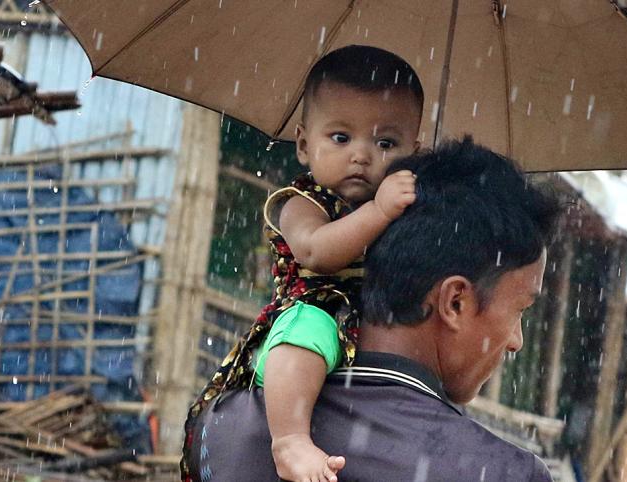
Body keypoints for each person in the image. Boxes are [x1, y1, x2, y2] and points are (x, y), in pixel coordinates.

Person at [187, 137, 559, 482]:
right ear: (455, 302)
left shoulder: (221, 423)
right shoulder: (500, 473)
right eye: (520, 311)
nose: (516, 341)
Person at [181, 45, 424, 482]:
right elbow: (317, 251)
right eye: (341, 137)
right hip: (311, 315)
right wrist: (381, 213)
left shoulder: (404, 208)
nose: (362, 155)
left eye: (386, 142)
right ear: (303, 144)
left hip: (369, 326)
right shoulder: (302, 203)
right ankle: (289, 441)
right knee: (310, 329)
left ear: (415, 151)